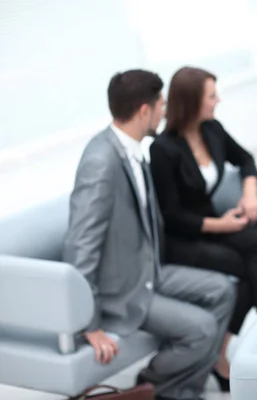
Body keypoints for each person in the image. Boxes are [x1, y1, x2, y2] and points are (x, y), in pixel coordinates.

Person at [63, 69, 236, 400]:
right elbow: (80, 245)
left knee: (223, 289)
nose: (165, 111)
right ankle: (155, 384)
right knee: (200, 328)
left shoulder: (133, 149)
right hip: (121, 292)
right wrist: (88, 324)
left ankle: (177, 389)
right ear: (145, 110)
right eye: (162, 104)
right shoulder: (101, 160)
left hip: (148, 272)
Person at [149, 66, 257, 389]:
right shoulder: (162, 149)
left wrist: (250, 195)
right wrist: (223, 224)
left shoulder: (212, 130)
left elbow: (246, 159)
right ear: (191, 101)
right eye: (211, 95)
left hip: (213, 226)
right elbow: (172, 216)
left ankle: (231, 351)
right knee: (251, 262)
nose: (218, 100)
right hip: (182, 240)